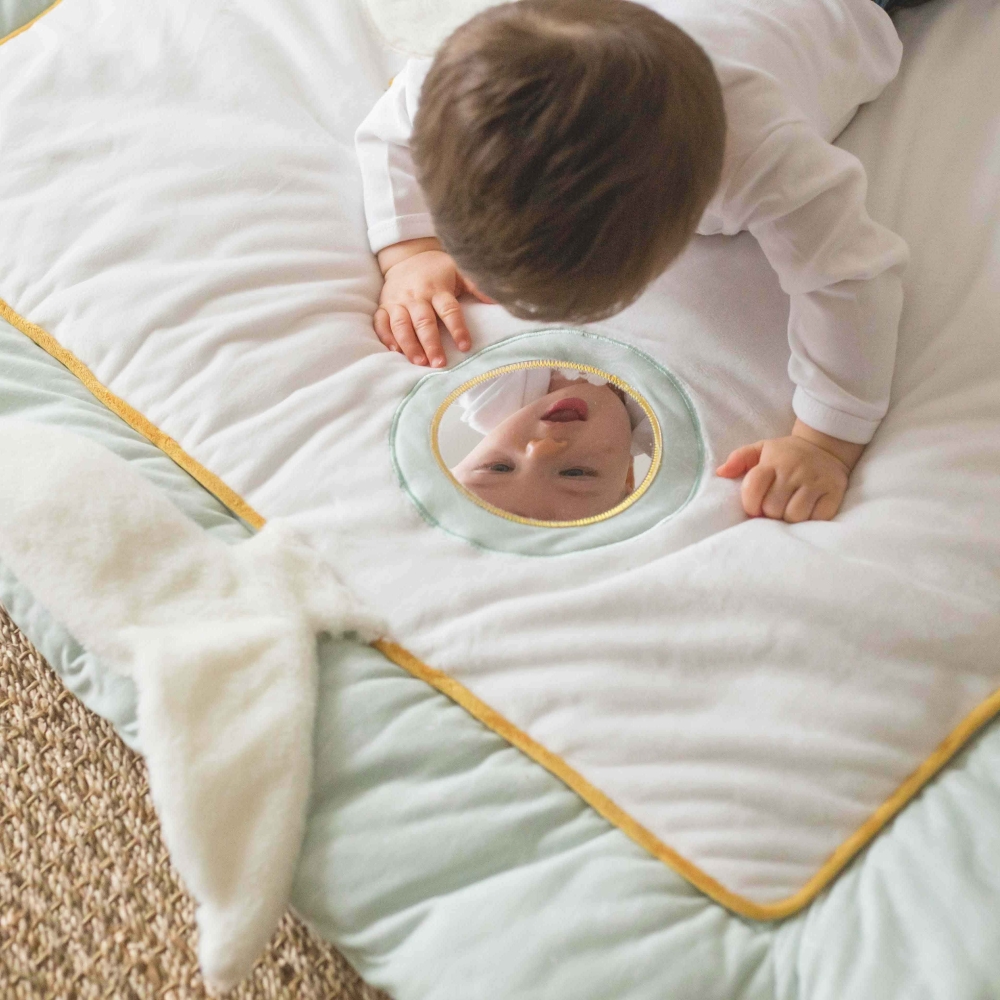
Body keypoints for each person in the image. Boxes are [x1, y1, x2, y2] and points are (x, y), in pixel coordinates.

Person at [355, 0, 914, 523]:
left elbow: (850, 275)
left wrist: (825, 442)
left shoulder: (755, 153)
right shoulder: (469, 79)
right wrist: (411, 250)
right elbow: (389, 132)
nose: (542, 446)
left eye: (499, 464)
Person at [451, 367, 654, 521]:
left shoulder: (485, 388)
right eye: (575, 473)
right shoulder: (669, 415)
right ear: (628, 478)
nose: (542, 447)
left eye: (499, 468)